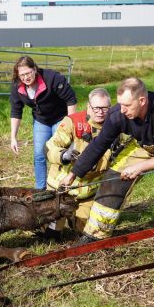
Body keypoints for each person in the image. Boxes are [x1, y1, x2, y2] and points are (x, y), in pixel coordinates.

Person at [60, 77, 154, 246]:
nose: (122, 110)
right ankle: (95, 235)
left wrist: (140, 166)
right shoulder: (118, 114)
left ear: (142, 100)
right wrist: (73, 174)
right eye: (120, 104)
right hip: (145, 142)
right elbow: (99, 144)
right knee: (114, 177)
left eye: (127, 105)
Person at [45, 88, 123, 233]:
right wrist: (63, 155)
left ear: (110, 108)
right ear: (88, 107)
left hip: (88, 192)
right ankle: (56, 223)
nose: (100, 112)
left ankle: (75, 218)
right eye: (96, 108)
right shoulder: (73, 122)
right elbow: (50, 147)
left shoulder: (117, 127)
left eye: (104, 108)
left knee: (86, 232)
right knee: (50, 232)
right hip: (61, 189)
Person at [10, 56, 77, 189]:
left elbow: (71, 100)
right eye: (22, 75)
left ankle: (61, 185)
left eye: (28, 73)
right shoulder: (17, 86)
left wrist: (71, 126)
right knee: (39, 155)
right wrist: (13, 137)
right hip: (41, 121)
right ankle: (40, 189)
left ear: (34, 69)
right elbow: (16, 111)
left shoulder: (53, 78)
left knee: (60, 153)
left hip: (60, 119)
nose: (25, 78)